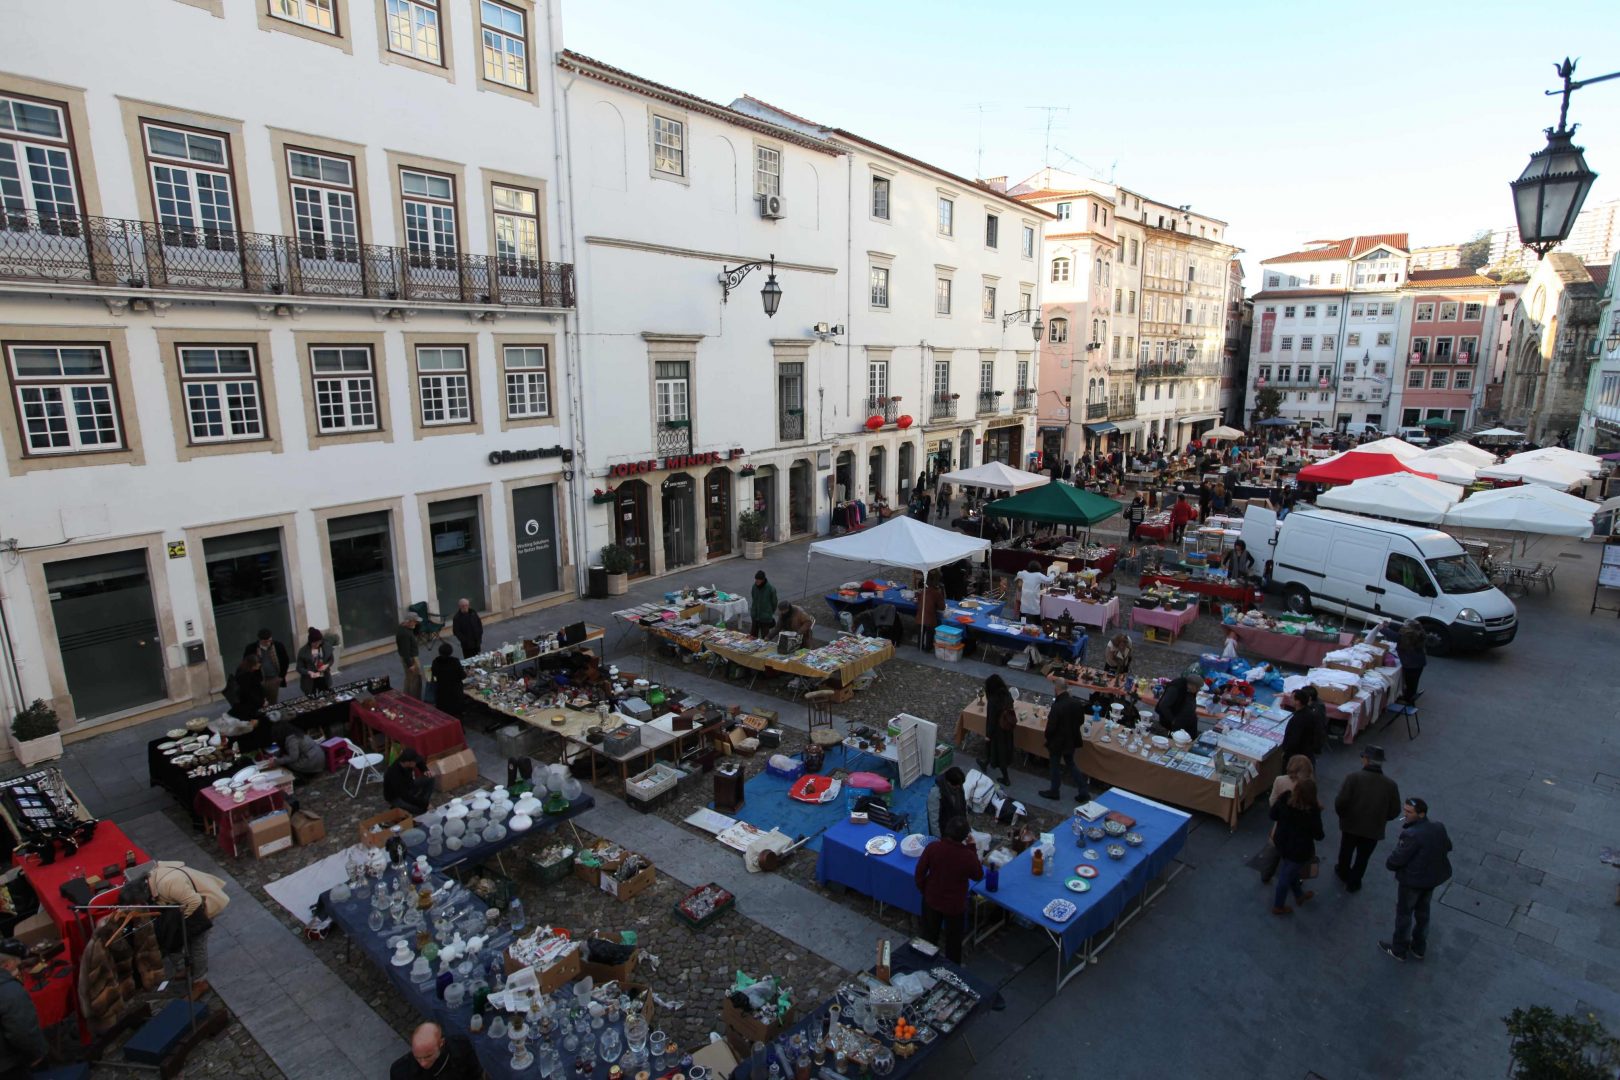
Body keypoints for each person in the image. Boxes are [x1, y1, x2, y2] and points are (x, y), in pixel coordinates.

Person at [136, 860, 229, 993]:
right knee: (187, 939)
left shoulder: (168, 883)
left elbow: (195, 901)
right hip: (191, 903)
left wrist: (183, 919)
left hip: (204, 903)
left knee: (197, 943)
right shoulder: (154, 880)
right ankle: (190, 967)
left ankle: (200, 981)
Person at [1380, 797, 1453, 962]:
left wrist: (1391, 864)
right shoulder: (1438, 827)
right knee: (1423, 912)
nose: (1405, 814)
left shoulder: (1411, 834)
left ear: (1421, 814)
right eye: (1405, 810)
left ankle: (1399, 949)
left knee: (1404, 914)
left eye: (1409, 812)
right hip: (1432, 879)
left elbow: (1398, 858)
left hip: (1412, 881)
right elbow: (1448, 846)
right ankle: (1419, 947)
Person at [912, 816, 983, 964]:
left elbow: (919, 872)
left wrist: (925, 890)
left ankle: (924, 964)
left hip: (931, 899)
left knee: (929, 936)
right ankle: (951, 970)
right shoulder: (967, 856)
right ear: (965, 836)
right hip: (954, 906)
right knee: (953, 942)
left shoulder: (933, 848)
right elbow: (978, 875)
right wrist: (972, 847)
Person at [1335, 745, 1402, 893]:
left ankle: (1343, 872)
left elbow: (1341, 802)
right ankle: (1354, 882)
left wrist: (1343, 816)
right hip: (1373, 829)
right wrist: (1381, 818)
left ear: (1366, 760)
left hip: (1351, 825)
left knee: (1346, 851)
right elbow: (1395, 811)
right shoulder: (1390, 785)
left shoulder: (1353, 778)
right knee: (1363, 858)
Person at [1268, 777, 1324, 915]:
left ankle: (1299, 895)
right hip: (1299, 850)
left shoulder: (1285, 798)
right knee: (1285, 876)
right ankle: (1278, 906)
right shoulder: (1312, 812)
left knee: (1291, 871)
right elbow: (1319, 835)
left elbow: (1272, 815)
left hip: (1282, 842)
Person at [1259, 754, 1316, 885]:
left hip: (1281, 826)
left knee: (1273, 851)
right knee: (1295, 857)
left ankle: (1266, 875)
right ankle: (1296, 879)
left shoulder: (1280, 780)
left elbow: (1272, 800)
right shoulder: (1310, 784)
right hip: (1300, 830)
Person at [1037, 674, 1088, 801]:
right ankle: (1083, 790)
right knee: (1071, 764)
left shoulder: (1057, 706)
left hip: (1057, 742)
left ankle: (1054, 790)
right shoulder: (1076, 703)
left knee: (1054, 765)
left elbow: (1050, 728)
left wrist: (1048, 738)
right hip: (1071, 739)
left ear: (1056, 689)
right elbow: (1081, 720)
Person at [0, 938, 45, 1079]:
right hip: (8, 1066)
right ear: (7, 965)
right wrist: (36, 1054)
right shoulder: (9, 990)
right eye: (18, 966)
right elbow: (22, 1031)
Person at [214, 647, 267, 747]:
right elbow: (250, 694)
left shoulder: (241, 671)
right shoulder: (248, 677)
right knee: (252, 728)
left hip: (243, 706)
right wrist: (261, 702)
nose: (260, 666)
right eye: (258, 664)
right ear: (254, 664)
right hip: (249, 708)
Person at [391, 1021, 481, 1080]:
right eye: (417, 1057)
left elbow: (475, 1074)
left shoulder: (461, 1049)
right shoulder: (400, 1072)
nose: (423, 1063)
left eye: (428, 1056)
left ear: (441, 1043)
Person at [979, 673, 1015, 785]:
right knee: (997, 751)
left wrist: (988, 735)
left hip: (997, 732)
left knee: (1000, 754)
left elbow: (991, 720)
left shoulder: (993, 700)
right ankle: (985, 763)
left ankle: (1006, 778)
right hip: (1007, 728)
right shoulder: (1007, 695)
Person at [1280, 685, 1328, 766]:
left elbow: (1294, 740)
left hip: (1299, 753)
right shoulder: (1309, 712)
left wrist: (1286, 753)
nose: (1290, 699)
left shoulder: (1299, 718)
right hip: (1307, 750)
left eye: (1292, 698)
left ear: (1298, 701)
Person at [384, 749, 436, 815]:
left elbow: (419, 762)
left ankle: (421, 800)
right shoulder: (394, 774)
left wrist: (425, 770)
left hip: (409, 785)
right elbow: (405, 796)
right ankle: (398, 806)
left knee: (430, 778)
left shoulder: (408, 762)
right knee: (421, 810)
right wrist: (425, 805)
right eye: (414, 762)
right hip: (397, 797)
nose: (416, 763)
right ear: (407, 762)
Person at [1154, 673, 1200, 740]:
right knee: (1177, 738)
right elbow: (1163, 706)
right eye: (1198, 688)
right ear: (1192, 685)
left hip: (1188, 719)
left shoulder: (1189, 689)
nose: (1198, 690)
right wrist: (1173, 720)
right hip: (1175, 720)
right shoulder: (1175, 688)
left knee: (1190, 738)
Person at [926, 767, 968, 839]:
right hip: (944, 831)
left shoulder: (958, 785)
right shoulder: (935, 794)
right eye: (955, 786)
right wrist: (939, 839)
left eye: (960, 785)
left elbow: (963, 805)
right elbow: (933, 821)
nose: (959, 787)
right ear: (948, 782)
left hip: (956, 828)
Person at [252, 628, 291, 705]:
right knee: (260, 702)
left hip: (274, 679)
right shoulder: (252, 648)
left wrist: (281, 677)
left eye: (270, 640)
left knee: (272, 702)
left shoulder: (278, 646)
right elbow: (248, 664)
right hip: (259, 680)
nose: (268, 643)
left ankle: (272, 715)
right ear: (260, 640)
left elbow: (285, 661)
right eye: (265, 641)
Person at [295, 627, 334, 696]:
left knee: (327, 699)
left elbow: (331, 660)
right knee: (313, 702)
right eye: (315, 643)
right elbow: (299, 668)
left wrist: (326, 665)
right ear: (310, 642)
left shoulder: (326, 646)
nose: (317, 645)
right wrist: (309, 672)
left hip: (324, 679)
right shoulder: (303, 651)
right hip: (309, 682)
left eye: (319, 642)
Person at [430, 643, 465, 719]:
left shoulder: (436, 661)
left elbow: (434, 673)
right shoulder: (455, 662)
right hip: (455, 692)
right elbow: (462, 675)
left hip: (442, 691)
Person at [1014, 560, 1055, 625]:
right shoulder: (1038, 575)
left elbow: (1018, 573)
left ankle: (1021, 627)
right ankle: (1039, 629)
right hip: (1033, 600)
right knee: (1036, 617)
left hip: (1025, 599)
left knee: (1023, 615)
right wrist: (1053, 573)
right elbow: (1048, 580)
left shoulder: (1024, 573)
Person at [1396, 619, 1427, 706]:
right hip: (1419, 663)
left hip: (1412, 664)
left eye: (1405, 626)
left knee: (1410, 683)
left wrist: (1382, 628)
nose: (1403, 627)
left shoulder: (1408, 636)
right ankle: (1408, 697)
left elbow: (1395, 636)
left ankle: (1408, 701)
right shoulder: (1419, 634)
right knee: (1413, 683)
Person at [749, 571, 779, 638]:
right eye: (756, 579)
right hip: (755, 615)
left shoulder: (770, 589)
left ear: (762, 580)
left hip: (765, 617)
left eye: (758, 580)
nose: (756, 581)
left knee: (765, 636)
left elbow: (774, 603)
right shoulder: (754, 587)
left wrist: (769, 612)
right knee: (752, 635)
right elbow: (753, 597)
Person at [396, 613, 421, 684]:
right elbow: (405, 651)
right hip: (411, 658)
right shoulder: (404, 634)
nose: (416, 623)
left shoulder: (407, 628)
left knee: (409, 679)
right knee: (414, 680)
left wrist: (416, 624)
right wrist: (410, 665)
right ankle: (413, 695)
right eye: (415, 621)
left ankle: (407, 694)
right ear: (409, 621)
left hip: (411, 656)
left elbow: (416, 632)